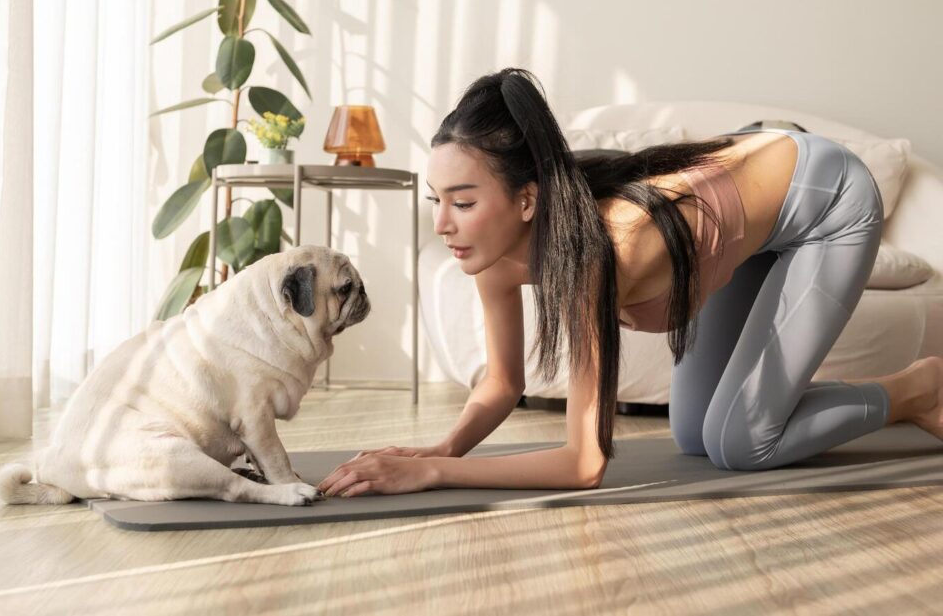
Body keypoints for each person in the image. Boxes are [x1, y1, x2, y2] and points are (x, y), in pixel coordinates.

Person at [316, 67, 942, 498]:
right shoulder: (493, 257)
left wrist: (433, 478)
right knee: (695, 432)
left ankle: (920, 387)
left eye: (463, 202)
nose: (442, 225)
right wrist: (445, 448)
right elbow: (504, 382)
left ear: (526, 201)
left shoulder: (598, 249)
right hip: (753, 206)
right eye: (437, 200)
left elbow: (585, 464)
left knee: (742, 442)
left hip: (824, 196)